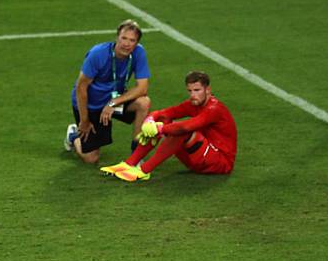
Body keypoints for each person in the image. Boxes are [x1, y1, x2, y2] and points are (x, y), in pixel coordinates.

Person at [100, 70, 237, 181]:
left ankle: (144, 170)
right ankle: (129, 163)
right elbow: (164, 113)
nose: (193, 95)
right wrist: (150, 121)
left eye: (197, 90)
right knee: (164, 119)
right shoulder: (194, 103)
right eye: (190, 91)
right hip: (199, 158)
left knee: (181, 130)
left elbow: (186, 127)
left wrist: (159, 129)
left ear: (208, 90)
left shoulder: (214, 109)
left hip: (219, 163)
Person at [64, 20, 151, 164]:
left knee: (143, 102)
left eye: (132, 40)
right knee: (91, 158)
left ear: (136, 43)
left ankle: (137, 156)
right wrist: (84, 121)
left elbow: (142, 88)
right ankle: (74, 136)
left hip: (112, 101)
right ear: (117, 37)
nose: (127, 44)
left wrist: (113, 103)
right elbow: (81, 88)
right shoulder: (98, 54)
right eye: (124, 38)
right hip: (91, 104)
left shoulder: (139, 52)